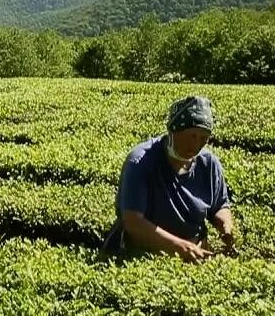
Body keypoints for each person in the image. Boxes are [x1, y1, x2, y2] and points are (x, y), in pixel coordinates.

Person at [101, 95, 236, 263]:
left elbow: (219, 205)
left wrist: (225, 226)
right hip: (144, 257)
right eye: (191, 136)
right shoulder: (141, 161)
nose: (195, 145)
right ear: (173, 131)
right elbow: (133, 223)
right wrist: (179, 247)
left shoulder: (209, 164)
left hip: (196, 254)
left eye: (203, 138)